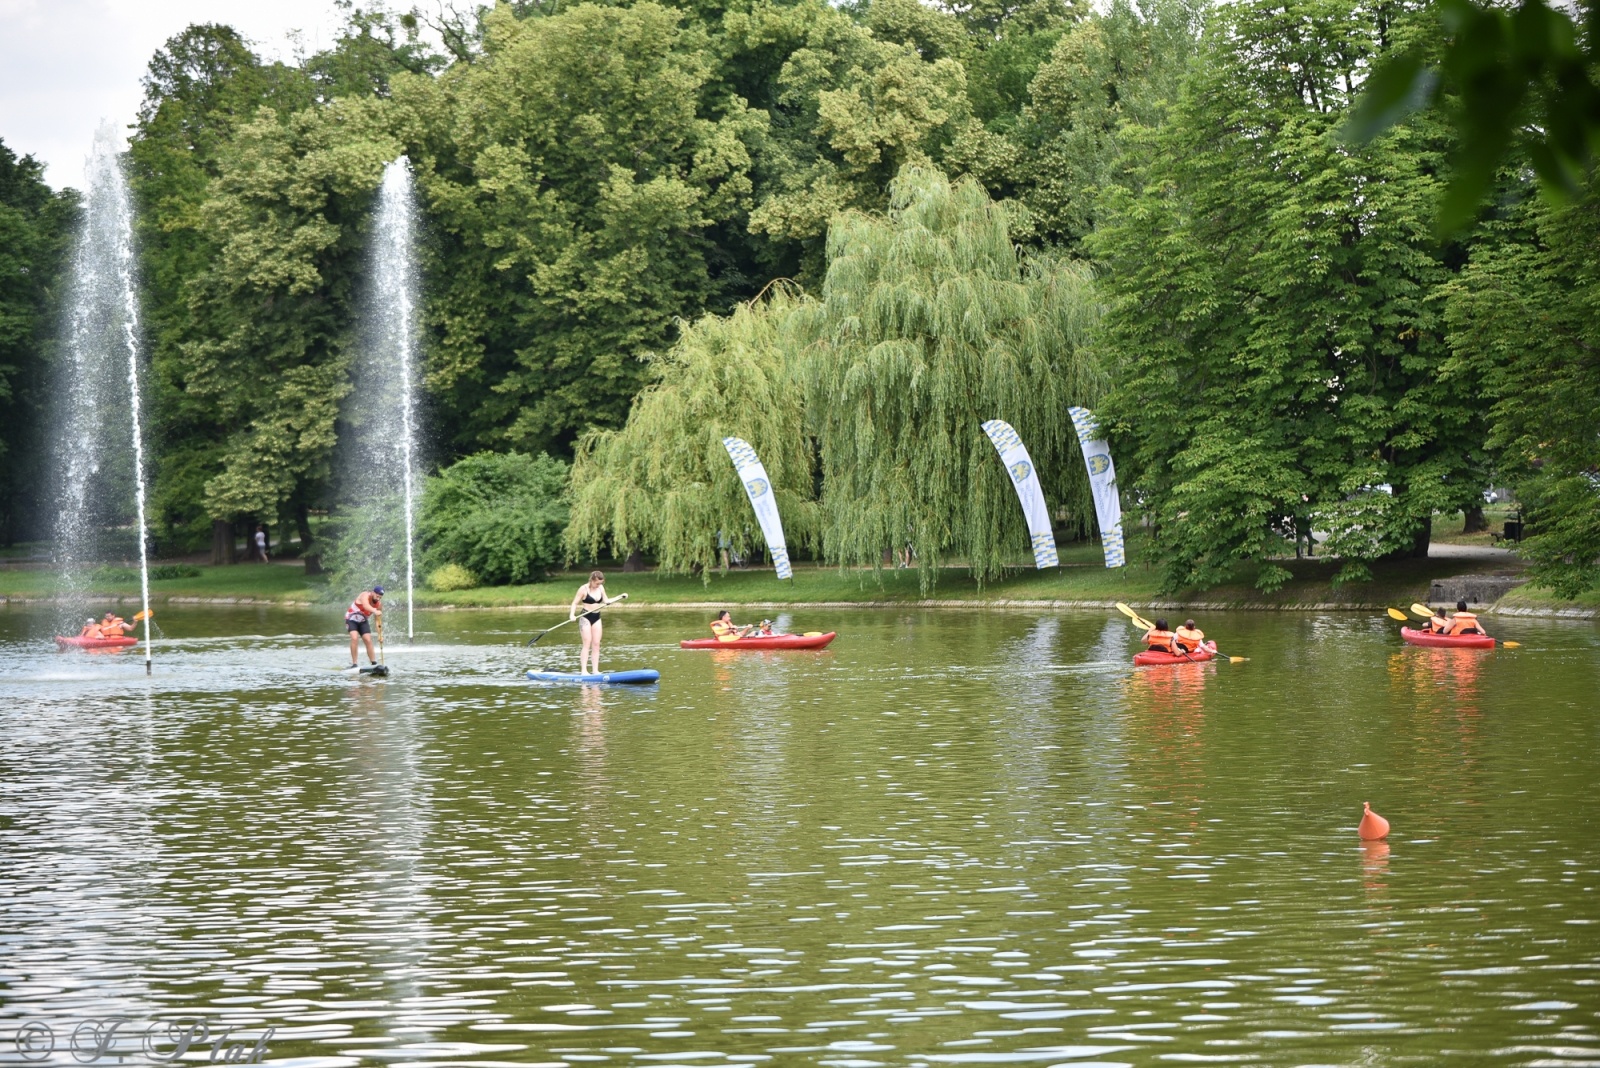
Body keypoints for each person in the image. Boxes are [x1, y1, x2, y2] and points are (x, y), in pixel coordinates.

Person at [570, 571, 624, 675]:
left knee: (596, 644)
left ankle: (595, 670)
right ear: (592, 580)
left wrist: (619, 596)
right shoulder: (583, 589)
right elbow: (574, 603)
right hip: (585, 617)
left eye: (600, 583)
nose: (599, 585)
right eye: (597, 583)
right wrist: (572, 615)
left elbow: (606, 601)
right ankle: (584, 671)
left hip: (597, 617)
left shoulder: (601, 588)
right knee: (587, 643)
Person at [345, 586, 384, 669]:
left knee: (368, 639)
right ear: (373, 592)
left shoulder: (378, 605)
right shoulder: (364, 595)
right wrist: (375, 611)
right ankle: (354, 663)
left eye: (380, 597)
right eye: (377, 596)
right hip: (351, 619)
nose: (378, 598)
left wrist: (380, 635)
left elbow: (377, 621)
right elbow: (366, 606)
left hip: (363, 621)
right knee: (354, 638)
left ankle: (373, 663)